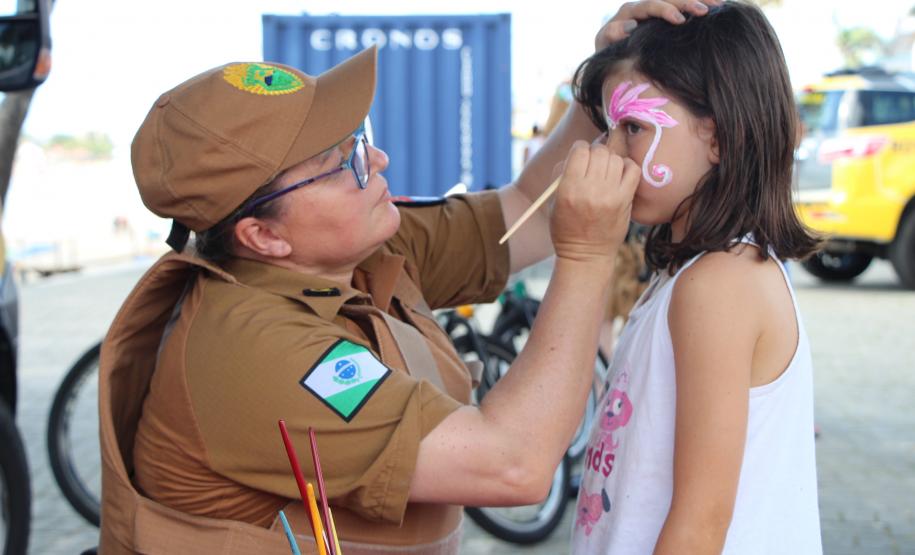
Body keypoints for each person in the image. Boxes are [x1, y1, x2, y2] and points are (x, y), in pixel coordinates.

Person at [97, 2, 718, 553]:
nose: (377, 160)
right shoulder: (253, 351)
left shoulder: (355, 251)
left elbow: (523, 210)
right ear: (263, 236)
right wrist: (585, 256)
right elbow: (514, 465)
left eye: (357, 138)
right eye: (341, 163)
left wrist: (599, 86)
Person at [569, 3, 823, 554]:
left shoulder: (719, 284)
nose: (609, 150)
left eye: (633, 127)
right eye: (609, 128)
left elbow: (700, 524)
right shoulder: (686, 273)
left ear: (719, 137)